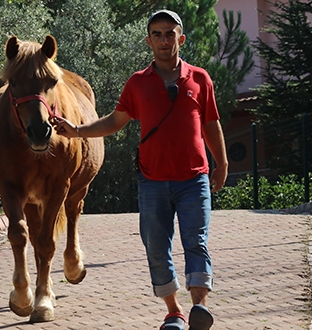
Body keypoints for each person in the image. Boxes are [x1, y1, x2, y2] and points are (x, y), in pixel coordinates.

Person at [53, 9, 228, 330]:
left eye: (170, 33)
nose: (164, 40)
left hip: (194, 178)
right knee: (156, 247)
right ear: (149, 41)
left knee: (196, 241)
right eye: (157, 34)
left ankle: (199, 307)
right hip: (153, 181)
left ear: (181, 38)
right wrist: (76, 130)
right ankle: (174, 311)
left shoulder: (200, 78)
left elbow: (211, 123)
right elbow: (115, 122)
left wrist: (222, 163)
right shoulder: (137, 83)